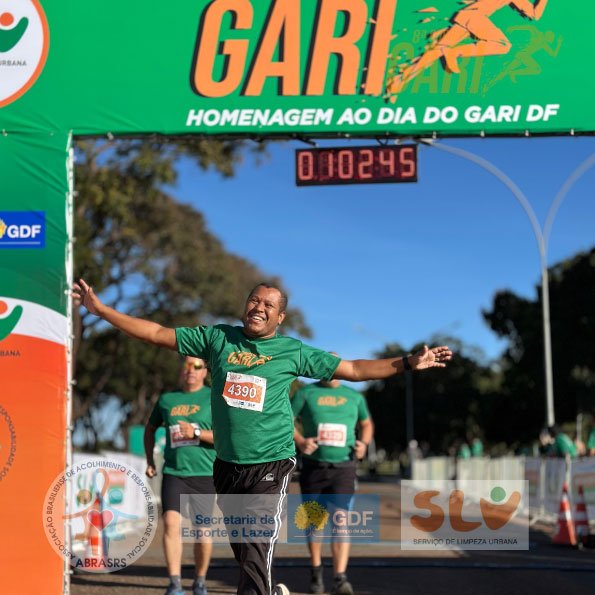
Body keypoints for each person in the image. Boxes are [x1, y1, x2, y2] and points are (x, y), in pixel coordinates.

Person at [73, 279, 452, 595]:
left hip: (271, 463)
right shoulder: (218, 339)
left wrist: (407, 363)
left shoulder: (291, 351)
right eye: (254, 300)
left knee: (255, 544)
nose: (259, 307)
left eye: (269, 304)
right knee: (244, 549)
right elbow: (157, 334)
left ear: (280, 317)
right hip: (227, 465)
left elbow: (353, 368)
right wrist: (101, 310)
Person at [292, 369, 374, 595]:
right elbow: (285, 418)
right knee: (315, 522)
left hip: (344, 467)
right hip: (313, 467)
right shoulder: (306, 393)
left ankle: (340, 578)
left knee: (341, 521)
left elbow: (366, 424)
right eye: (329, 368)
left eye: (337, 368)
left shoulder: (354, 396)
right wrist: (300, 440)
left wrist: (364, 444)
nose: (333, 372)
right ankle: (316, 571)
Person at [145, 356, 216, 595]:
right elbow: (150, 429)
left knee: (202, 532)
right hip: (174, 473)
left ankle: (200, 581)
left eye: (197, 366)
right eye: (187, 365)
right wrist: (149, 461)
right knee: (170, 524)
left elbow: (226, 435)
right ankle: (175, 583)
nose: (191, 370)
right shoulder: (167, 399)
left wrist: (196, 432)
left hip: (205, 474)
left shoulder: (213, 398)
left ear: (205, 371)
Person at [386, 0, 550, 98]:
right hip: (475, 17)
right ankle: (456, 52)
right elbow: (535, 14)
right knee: (502, 45)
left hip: (466, 15)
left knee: (437, 50)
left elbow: (533, 14)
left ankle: (400, 80)